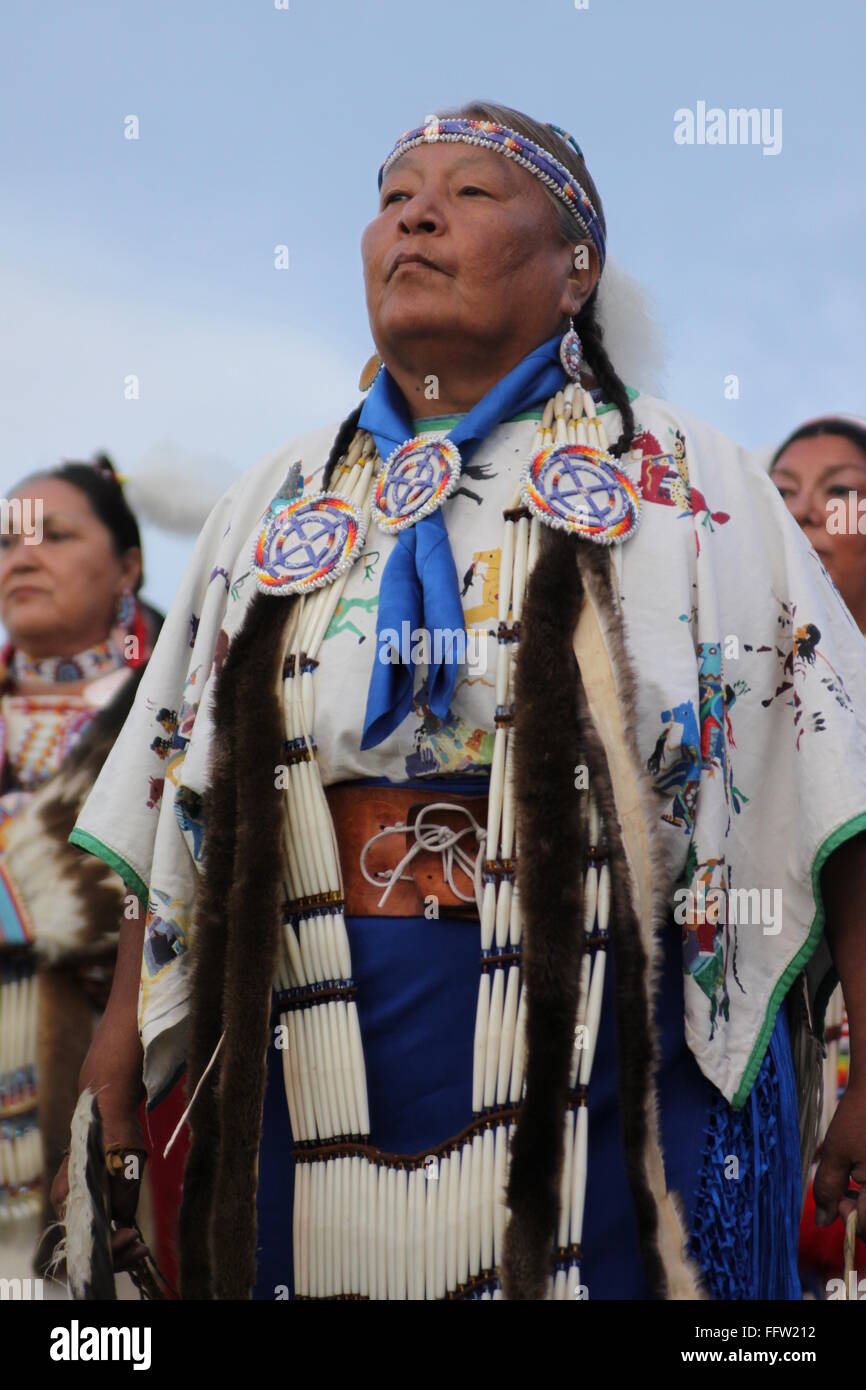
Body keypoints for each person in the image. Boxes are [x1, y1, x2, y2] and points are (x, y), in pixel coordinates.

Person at [60, 102, 866, 1301]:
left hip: (609, 1041)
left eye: (472, 194)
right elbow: (183, 784)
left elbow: (828, 778)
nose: (416, 214)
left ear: (575, 269)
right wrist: (118, 1049)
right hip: (314, 1024)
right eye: (394, 197)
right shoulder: (278, 501)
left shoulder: (691, 485)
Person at [0, 456, 166, 1273]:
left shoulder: (184, 710)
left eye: (53, 536)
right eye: (6, 544)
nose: (19, 558)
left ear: (128, 566)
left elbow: (177, 887)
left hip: (132, 1111)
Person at [770, 415, 866, 1293]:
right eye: (784, 498)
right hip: (787, 1110)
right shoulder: (741, 720)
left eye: (841, 495)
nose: (809, 518)